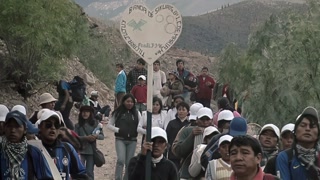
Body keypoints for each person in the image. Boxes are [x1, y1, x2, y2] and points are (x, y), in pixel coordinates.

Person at [36, 109, 89, 180]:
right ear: (40, 127)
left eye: (57, 125)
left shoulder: (67, 149)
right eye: (48, 125)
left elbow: (81, 174)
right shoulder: (33, 150)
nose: (53, 128)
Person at [0, 110, 54, 179]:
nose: (13, 130)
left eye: (17, 126)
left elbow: (46, 177)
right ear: (4, 128)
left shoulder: (33, 153)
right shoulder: (1, 151)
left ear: (25, 130)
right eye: (9, 126)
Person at [276, 106, 320, 180]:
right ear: (295, 132)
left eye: (312, 126)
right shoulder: (285, 157)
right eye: (303, 125)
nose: (307, 129)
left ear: (318, 133)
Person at [172, 107, 214, 179]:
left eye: (207, 119)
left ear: (212, 120)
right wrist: (191, 136)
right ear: (197, 119)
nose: (205, 122)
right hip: (187, 174)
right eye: (202, 119)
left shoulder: (216, 133)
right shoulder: (186, 130)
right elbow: (177, 151)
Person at [107, 93, 141, 180]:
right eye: (127, 101)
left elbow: (141, 125)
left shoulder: (137, 113)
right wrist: (118, 130)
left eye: (131, 102)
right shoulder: (118, 112)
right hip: (120, 139)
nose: (129, 103)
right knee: (120, 160)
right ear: (123, 102)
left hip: (132, 140)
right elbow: (109, 125)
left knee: (129, 162)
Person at [75, 105, 104, 179]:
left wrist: (95, 136)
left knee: (90, 172)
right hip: (80, 151)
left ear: (90, 113)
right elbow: (75, 137)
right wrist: (86, 138)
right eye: (83, 112)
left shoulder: (95, 124)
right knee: (80, 171)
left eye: (87, 112)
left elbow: (102, 136)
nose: (85, 114)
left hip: (91, 151)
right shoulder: (77, 125)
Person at [165, 101, 190, 168]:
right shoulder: (171, 123)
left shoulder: (189, 124)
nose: (181, 111)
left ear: (187, 112)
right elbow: (167, 136)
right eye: (179, 109)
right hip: (173, 153)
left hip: (186, 153)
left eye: (183, 109)